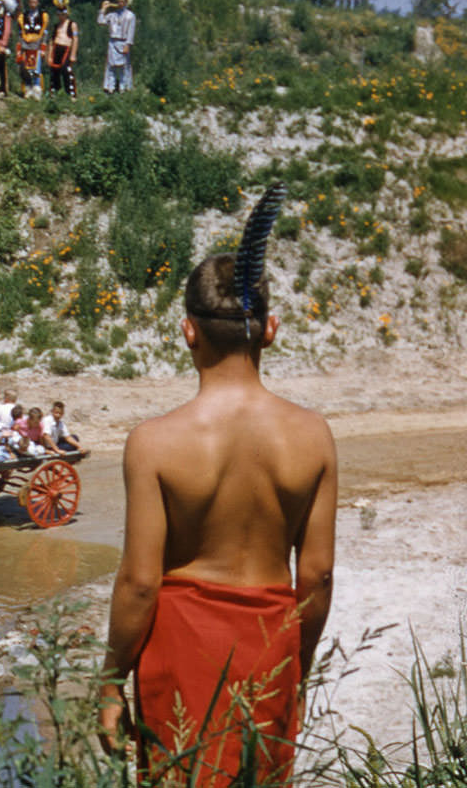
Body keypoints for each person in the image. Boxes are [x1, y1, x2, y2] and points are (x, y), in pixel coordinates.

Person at [100, 186, 336, 788]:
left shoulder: (153, 442)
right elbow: (316, 576)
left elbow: (139, 582)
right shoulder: (314, 437)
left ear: (187, 332)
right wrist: (297, 668)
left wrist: (109, 681)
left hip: (180, 653)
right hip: (270, 646)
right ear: (272, 329)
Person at [98, 0, 136, 94]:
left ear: (126, 1)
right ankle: (110, 88)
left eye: (123, 0)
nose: (120, 2)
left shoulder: (130, 16)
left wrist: (128, 44)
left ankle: (124, 88)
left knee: (124, 67)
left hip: (123, 42)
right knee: (111, 66)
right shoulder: (112, 15)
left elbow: (131, 31)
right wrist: (103, 10)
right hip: (112, 42)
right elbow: (101, 21)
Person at [17, 0, 49, 99]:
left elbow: (45, 34)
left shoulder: (43, 16)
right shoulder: (24, 16)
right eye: (31, 1)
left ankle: (36, 90)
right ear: (28, 2)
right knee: (26, 69)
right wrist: (19, 49)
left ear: (38, 2)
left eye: (35, 1)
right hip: (26, 46)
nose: (33, 3)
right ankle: (27, 89)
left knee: (36, 70)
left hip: (37, 46)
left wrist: (44, 49)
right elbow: (20, 33)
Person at [46, 0, 78, 98]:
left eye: (63, 14)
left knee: (66, 70)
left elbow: (75, 39)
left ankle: (71, 94)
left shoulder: (72, 24)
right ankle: (56, 93)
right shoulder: (56, 26)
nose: (61, 16)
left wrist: (73, 54)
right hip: (56, 49)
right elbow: (51, 41)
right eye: (59, 14)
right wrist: (49, 55)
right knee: (55, 71)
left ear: (66, 14)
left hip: (67, 49)